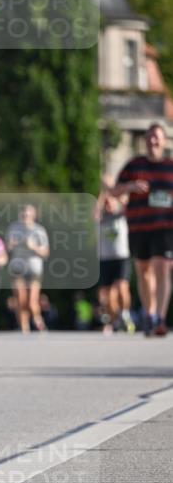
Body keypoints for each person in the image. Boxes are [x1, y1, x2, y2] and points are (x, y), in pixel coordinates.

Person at [111, 122, 173, 336]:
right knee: (144, 272)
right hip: (139, 227)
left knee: (162, 267)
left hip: (166, 227)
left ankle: (161, 318)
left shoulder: (170, 166)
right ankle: (149, 313)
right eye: (149, 137)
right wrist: (130, 187)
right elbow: (114, 191)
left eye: (156, 137)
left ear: (164, 141)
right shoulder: (134, 165)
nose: (152, 141)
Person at [96, 185, 135, 334]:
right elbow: (96, 210)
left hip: (121, 257)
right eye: (106, 203)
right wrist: (104, 191)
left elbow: (126, 203)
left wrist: (116, 191)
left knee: (122, 287)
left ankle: (125, 313)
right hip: (105, 259)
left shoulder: (122, 217)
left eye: (111, 202)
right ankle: (116, 320)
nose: (108, 205)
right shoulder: (100, 219)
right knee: (107, 294)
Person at [7, 204, 50, 333]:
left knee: (31, 301)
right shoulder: (14, 228)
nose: (25, 217)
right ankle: (24, 328)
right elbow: (7, 248)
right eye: (24, 214)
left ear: (34, 216)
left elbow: (46, 253)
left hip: (34, 268)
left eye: (28, 215)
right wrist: (12, 244)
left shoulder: (39, 231)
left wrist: (33, 247)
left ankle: (38, 320)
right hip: (18, 267)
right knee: (20, 299)